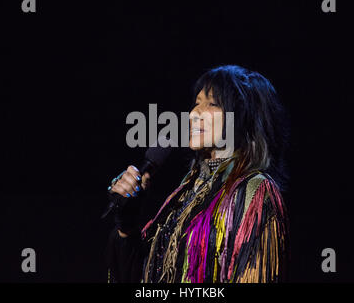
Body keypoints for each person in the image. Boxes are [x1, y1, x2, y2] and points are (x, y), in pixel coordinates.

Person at [105, 65, 291, 283]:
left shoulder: (254, 192)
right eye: (196, 103)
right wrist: (127, 228)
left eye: (212, 104)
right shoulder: (188, 191)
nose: (194, 113)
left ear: (243, 118)